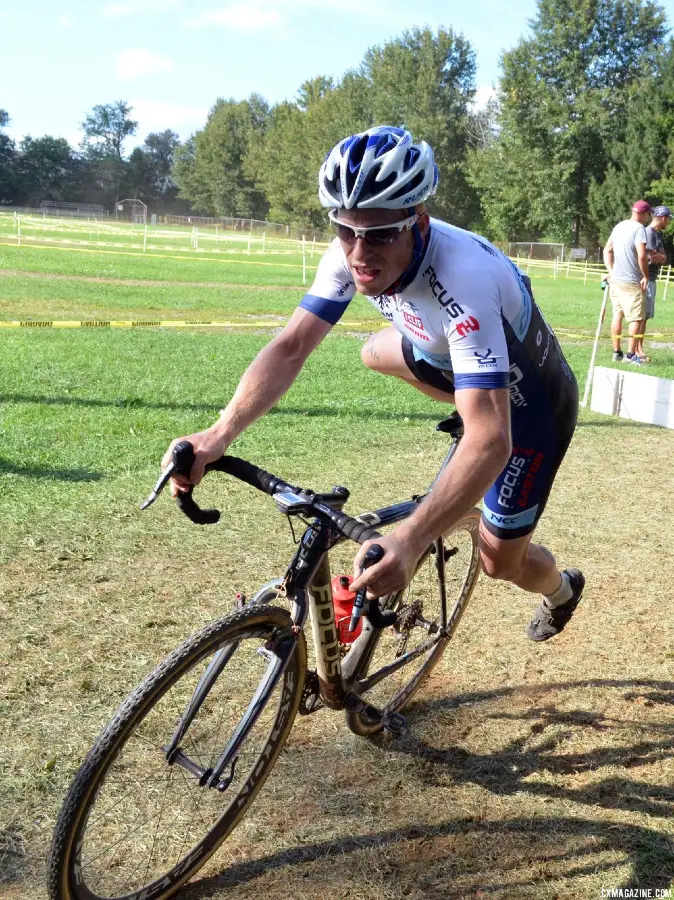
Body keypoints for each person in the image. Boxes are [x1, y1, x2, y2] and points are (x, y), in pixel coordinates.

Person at [163, 125, 584, 642]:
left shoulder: (462, 276)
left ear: (418, 222)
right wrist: (218, 433)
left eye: (381, 233)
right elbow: (291, 346)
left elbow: (496, 439)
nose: (360, 253)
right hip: (449, 357)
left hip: (532, 405)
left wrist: (411, 538)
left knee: (499, 558)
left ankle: (561, 588)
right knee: (371, 352)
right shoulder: (350, 255)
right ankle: (468, 405)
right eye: (345, 230)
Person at [603, 200, 651, 365]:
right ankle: (631, 356)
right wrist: (645, 275)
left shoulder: (619, 226)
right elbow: (642, 255)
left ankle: (617, 352)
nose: (648, 218)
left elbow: (607, 250)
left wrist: (611, 272)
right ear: (644, 214)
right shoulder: (639, 229)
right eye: (648, 215)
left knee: (617, 315)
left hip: (616, 281)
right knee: (636, 319)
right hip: (632, 282)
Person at [644, 205, 670, 347]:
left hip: (653, 278)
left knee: (646, 316)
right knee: (642, 316)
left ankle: (639, 349)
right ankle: (636, 351)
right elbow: (650, 257)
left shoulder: (658, 234)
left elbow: (663, 257)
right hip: (647, 278)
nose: (669, 222)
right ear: (663, 218)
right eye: (669, 219)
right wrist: (659, 257)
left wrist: (660, 256)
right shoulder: (648, 233)